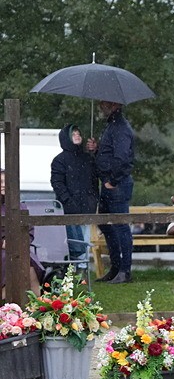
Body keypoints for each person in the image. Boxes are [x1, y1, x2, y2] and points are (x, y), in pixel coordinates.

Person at [94, 100, 135, 284]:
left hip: (116, 184)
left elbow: (122, 158)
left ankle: (124, 270)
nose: (101, 106)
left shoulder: (120, 127)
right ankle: (116, 267)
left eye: (104, 103)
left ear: (114, 104)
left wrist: (113, 180)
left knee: (120, 226)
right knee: (105, 223)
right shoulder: (112, 126)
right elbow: (111, 154)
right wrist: (97, 150)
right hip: (109, 183)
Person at [49, 124, 99, 261]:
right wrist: (68, 201)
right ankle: (72, 270)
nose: (77, 135)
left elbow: (95, 180)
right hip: (69, 209)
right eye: (73, 134)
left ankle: (83, 271)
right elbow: (57, 183)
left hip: (87, 207)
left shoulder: (88, 158)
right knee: (72, 243)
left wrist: (94, 199)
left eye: (78, 133)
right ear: (66, 138)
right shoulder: (59, 160)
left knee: (85, 241)